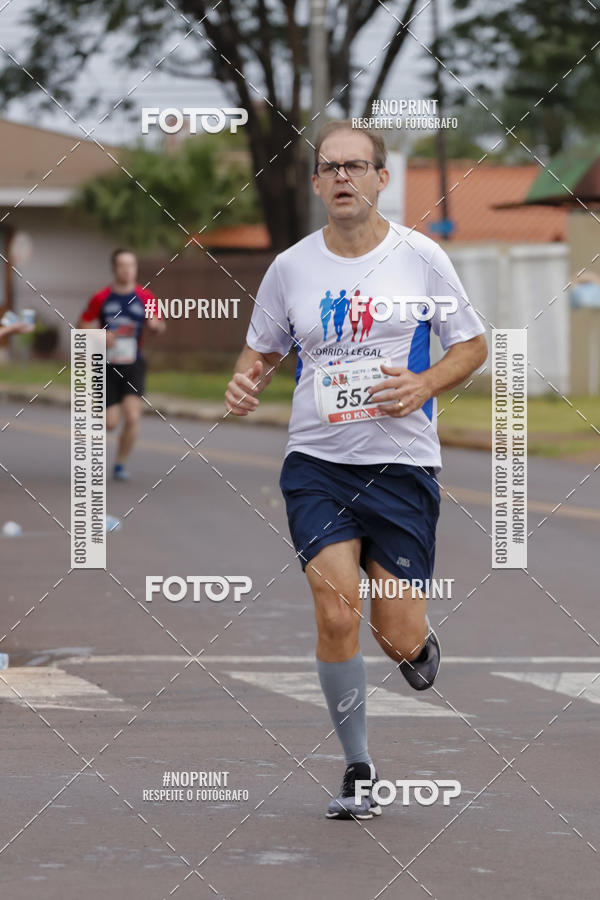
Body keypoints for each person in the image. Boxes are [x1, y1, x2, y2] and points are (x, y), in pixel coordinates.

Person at [225, 120, 487, 820]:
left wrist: (424, 384)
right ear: (316, 183)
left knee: (393, 633)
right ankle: (358, 766)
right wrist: (246, 381)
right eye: (330, 167)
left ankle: (416, 643)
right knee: (336, 611)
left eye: (356, 166)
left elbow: (472, 345)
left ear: (381, 178)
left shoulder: (421, 257)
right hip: (318, 464)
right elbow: (263, 349)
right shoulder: (291, 268)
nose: (342, 176)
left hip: (402, 466)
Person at [78, 248, 165, 481]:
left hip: (133, 364)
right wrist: (100, 335)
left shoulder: (146, 297)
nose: (127, 270)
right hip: (107, 366)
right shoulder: (101, 298)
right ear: (114, 268)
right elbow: (82, 326)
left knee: (133, 417)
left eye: (131, 265)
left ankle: (120, 463)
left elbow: (159, 324)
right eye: (122, 265)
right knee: (110, 423)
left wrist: (155, 325)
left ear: (135, 269)